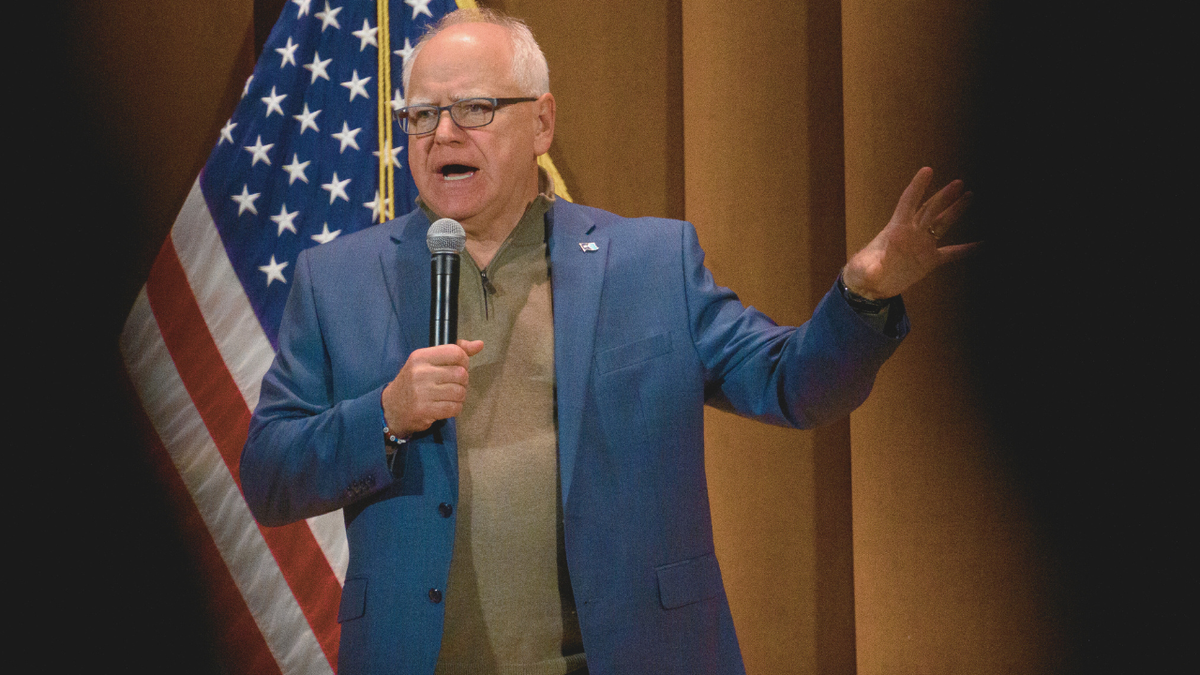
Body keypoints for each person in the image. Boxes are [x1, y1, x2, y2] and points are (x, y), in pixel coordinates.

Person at [240, 8, 973, 675]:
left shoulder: (652, 264)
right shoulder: (336, 280)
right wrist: (385, 414)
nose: (443, 134)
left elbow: (794, 385)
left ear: (543, 123)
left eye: (475, 109)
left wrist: (863, 294)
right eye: (423, 114)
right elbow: (269, 473)